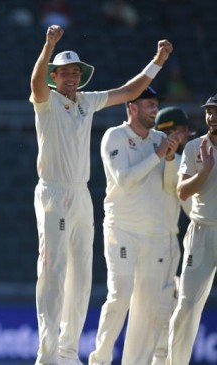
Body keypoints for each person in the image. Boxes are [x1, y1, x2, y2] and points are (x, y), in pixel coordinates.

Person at [29, 24, 173, 365]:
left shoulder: (86, 101)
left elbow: (129, 90)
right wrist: (49, 46)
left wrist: (158, 60)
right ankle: (47, 355)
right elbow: (36, 83)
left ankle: (66, 351)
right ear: (55, 75)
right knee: (54, 273)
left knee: (81, 275)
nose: (71, 78)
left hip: (80, 194)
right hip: (54, 192)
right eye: (64, 73)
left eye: (75, 72)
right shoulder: (46, 101)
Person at [88, 87, 182, 365]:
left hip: (152, 234)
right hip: (123, 229)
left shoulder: (160, 139)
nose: (154, 109)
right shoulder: (115, 136)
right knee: (120, 295)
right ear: (132, 107)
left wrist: (168, 159)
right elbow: (125, 180)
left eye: (155, 104)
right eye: (149, 104)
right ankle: (100, 359)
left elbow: (169, 185)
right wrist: (157, 155)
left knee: (147, 307)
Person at [167, 93, 217, 364]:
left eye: (216, 111)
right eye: (210, 111)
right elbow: (182, 192)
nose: (212, 116)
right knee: (186, 306)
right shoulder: (194, 148)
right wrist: (205, 171)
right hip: (201, 231)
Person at [151, 106, 193, 365]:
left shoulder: (173, 160)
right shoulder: (172, 162)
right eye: (182, 131)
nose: (186, 137)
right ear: (169, 131)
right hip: (155, 242)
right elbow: (190, 206)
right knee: (158, 310)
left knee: (162, 308)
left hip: (160, 241)